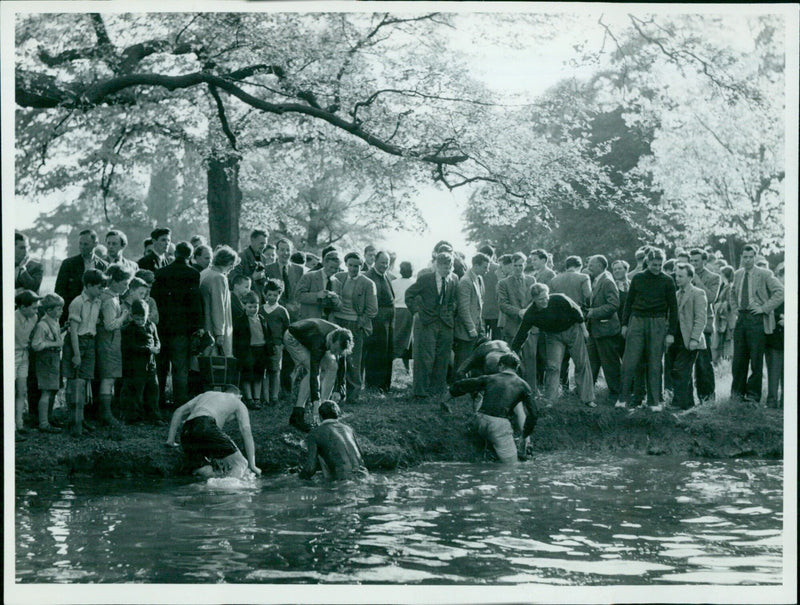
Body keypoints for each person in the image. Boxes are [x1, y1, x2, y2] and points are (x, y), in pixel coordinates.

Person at [511, 283, 596, 408]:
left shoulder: (558, 298)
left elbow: (577, 311)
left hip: (572, 330)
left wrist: (584, 331)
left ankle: (587, 398)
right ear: (534, 300)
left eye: (546, 297)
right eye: (541, 299)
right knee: (553, 366)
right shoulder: (531, 313)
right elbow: (522, 333)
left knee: (581, 363)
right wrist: (514, 350)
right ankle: (550, 400)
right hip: (553, 336)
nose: (545, 301)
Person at [616, 248, 678, 411]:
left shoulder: (668, 280)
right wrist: (624, 324)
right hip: (637, 321)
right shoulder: (638, 278)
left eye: (660, 264)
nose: (657, 268)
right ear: (647, 262)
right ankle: (622, 400)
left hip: (657, 322)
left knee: (655, 362)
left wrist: (671, 333)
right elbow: (628, 303)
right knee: (630, 361)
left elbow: (674, 308)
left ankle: (654, 402)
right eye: (654, 264)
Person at [449, 353, 538, 463]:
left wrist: (448, 395)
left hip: (479, 421)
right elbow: (534, 413)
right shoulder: (523, 385)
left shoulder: (490, 378)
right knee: (512, 467)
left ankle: (489, 452)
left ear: (500, 366)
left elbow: (462, 385)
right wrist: (525, 435)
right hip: (498, 426)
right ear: (516, 368)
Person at [165, 387, 261, 479]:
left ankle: (203, 487)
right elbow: (246, 432)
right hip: (206, 425)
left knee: (207, 471)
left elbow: (179, 411)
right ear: (239, 396)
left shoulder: (205, 394)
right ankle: (229, 493)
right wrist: (252, 465)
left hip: (187, 431)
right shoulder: (237, 402)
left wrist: (171, 440)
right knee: (241, 464)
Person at [151, 241, 203, 409]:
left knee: (161, 367)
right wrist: (197, 326)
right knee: (180, 369)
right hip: (182, 328)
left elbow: (156, 300)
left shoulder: (161, 272)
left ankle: (158, 401)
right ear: (190, 255)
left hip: (162, 327)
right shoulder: (193, 274)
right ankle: (180, 404)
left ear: (175, 253)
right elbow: (195, 303)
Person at [729, 244, 784, 403]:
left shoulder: (765, 274)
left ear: (755, 257)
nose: (747, 260)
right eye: (744, 257)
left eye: (750, 257)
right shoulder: (738, 274)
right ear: (741, 257)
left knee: (756, 359)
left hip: (757, 319)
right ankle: (737, 395)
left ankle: (753, 396)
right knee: (739, 359)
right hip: (742, 318)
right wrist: (735, 309)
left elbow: (780, 292)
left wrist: (764, 308)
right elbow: (732, 294)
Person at [404, 251, 458, 401]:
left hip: (446, 323)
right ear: (437, 265)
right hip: (428, 322)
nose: (447, 269)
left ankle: (438, 389)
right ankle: (420, 391)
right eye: (444, 266)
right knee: (425, 357)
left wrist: (451, 309)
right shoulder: (426, 279)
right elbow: (409, 294)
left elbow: (454, 299)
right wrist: (416, 311)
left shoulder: (453, 279)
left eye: (450, 266)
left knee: (443, 357)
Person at [283, 318, 353, 432]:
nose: (336, 353)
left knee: (333, 366)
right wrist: (315, 400)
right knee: (312, 369)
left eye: (339, 351)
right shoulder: (318, 341)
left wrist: (340, 389)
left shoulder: (341, 336)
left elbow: (341, 363)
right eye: (335, 349)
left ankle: (324, 409)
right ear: (332, 341)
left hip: (310, 337)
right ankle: (297, 414)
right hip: (293, 338)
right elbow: (315, 373)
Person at [61, 268, 106, 436]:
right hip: (76, 343)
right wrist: (77, 354)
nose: (101, 291)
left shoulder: (98, 301)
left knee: (85, 382)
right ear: (88, 285)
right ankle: (73, 423)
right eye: (99, 288)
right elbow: (73, 331)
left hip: (90, 341)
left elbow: (94, 322)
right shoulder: (77, 302)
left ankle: (80, 419)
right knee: (75, 382)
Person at [331, 252, 378, 403]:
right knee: (335, 358)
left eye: (357, 266)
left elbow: (372, 309)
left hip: (354, 324)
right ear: (346, 264)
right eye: (350, 265)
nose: (353, 269)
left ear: (362, 266)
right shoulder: (338, 278)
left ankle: (353, 395)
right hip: (337, 321)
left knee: (353, 361)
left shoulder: (367, 283)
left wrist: (360, 323)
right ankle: (335, 392)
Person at [96, 264, 134, 426]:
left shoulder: (108, 296)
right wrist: (124, 316)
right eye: (125, 283)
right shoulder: (110, 300)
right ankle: (106, 414)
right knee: (108, 379)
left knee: (107, 378)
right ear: (115, 282)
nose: (127, 287)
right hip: (108, 343)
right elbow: (109, 325)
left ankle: (105, 412)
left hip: (108, 342)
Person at [668, 263, 708, 410]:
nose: (677, 279)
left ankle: (679, 403)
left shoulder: (698, 293)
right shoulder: (676, 294)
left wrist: (694, 339)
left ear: (690, 277)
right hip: (676, 339)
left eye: (681, 276)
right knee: (681, 371)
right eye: (676, 275)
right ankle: (688, 402)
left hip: (690, 339)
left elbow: (700, 318)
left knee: (680, 370)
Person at [497, 252, 538, 391]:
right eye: (515, 265)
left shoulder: (532, 280)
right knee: (512, 359)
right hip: (512, 326)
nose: (518, 268)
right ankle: (511, 389)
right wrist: (519, 312)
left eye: (521, 265)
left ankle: (530, 390)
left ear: (525, 265)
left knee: (531, 359)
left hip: (530, 327)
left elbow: (536, 300)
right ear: (511, 265)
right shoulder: (503, 283)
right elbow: (503, 304)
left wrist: (529, 312)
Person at [299, 400, 368, 480]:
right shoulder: (348, 429)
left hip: (342, 482)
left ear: (320, 417)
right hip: (364, 477)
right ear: (338, 414)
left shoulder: (315, 433)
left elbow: (310, 469)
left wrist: (298, 479)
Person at [585, 255, 622, 402]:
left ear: (600, 265)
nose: (589, 267)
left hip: (606, 330)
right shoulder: (597, 280)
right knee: (592, 362)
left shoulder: (607, 281)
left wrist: (594, 312)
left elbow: (614, 305)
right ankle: (588, 392)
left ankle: (617, 394)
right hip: (596, 330)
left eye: (592, 265)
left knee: (610, 364)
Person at [54, 229, 109, 324]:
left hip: (94, 314)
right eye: (80, 244)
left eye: (86, 244)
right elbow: (59, 290)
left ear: (95, 244)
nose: (82, 247)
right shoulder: (68, 264)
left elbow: (105, 290)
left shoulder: (104, 266)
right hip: (72, 312)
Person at [120, 299, 162, 423]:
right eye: (136, 319)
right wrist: (149, 349)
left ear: (147, 316)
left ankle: (154, 416)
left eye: (141, 319)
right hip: (136, 365)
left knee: (153, 390)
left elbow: (157, 340)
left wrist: (157, 347)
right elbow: (130, 346)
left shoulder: (151, 326)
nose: (139, 322)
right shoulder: (128, 329)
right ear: (132, 316)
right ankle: (135, 417)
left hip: (151, 364)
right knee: (136, 392)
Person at [688, 249, 720, 404]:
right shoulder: (684, 274)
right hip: (687, 324)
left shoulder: (714, 278)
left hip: (704, 325)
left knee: (703, 364)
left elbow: (712, 298)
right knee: (687, 363)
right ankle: (687, 398)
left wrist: (697, 281)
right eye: (691, 260)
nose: (693, 263)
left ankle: (707, 398)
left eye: (697, 261)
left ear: (704, 261)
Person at [31, 294, 66, 433]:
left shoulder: (54, 321)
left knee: (53, 389)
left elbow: (54, 336)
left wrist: (63, 329)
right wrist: (54, 343)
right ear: (49, 310)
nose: (61, 312)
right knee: (46, 391)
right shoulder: (42, 325)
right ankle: (43, 423)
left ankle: (49, 417)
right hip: (46, 360)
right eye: (58, 309)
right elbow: (36, 345)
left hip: (54, 359)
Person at [232, 291, 272, 409]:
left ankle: (257, 398)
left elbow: (268, 335)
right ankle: (249, 399)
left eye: (255, 306)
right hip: (247, 351)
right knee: (247, 375)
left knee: (259, 375)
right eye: (250, 307)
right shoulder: (240, 320)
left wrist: (269, 348)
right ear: (244, 306)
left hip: (261, 350)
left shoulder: (262, 319)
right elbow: (236, 338)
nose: (253, 309)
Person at [364, 250, 396, 391]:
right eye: (382, 262)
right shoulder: (369, 277)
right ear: (375, 261)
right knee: (376, 354)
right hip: (376, 322)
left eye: (387, 263)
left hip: (388, 323)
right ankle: (374, 385)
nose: (384, 265)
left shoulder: (386, 276)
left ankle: (384, 385)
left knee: (387, 354)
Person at [200, 245, 238, 357]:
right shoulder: (219, 278)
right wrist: (219, 333)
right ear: (228, 263)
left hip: (205, 325)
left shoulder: (205, 273)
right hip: (213, 328)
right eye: (232, 264)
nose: (232, 268)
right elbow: (218, 307)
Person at [454, 253, 489, 373]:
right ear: (476, 265)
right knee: (462, 361)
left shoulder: (478, 279)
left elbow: (479, 305)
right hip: (466, 331)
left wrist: (480, 326)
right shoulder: (465, 281)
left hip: (476, 328)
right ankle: (457, 387)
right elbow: (463, 308)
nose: (487, 270)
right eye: (485, 267)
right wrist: (471, 328)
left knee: (471, 362)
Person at [15, 290, 42, 440]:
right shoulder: (11, 318)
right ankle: (10, 428)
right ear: (23, 307)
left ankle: (19, 424)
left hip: (24, 356)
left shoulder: (34, 318)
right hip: (11, 355)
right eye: (33, 307)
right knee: (9, 392)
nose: (36, 311)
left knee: (22, 391)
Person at [261, 278, 291, 406]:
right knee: (264, 370)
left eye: (275, 295)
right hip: (261, 344)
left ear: (280, 294)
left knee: (275, 370)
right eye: (269, 295)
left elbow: (287, 328)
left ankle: (274, 397)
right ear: (265, 294)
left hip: (276, 344)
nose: (272, 298)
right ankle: (265, 397)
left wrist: (283, 344)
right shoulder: (260, 309)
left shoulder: (282, 311)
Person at [294, 250, 341, 320]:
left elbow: (340, 306)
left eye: (336, 268)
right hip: (310, 320)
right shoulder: (309, 276)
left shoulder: (337, 283)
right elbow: (298, 296)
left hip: (329, 322)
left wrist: (337, 301)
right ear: (324, 263)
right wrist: (317, 295)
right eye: (331, 267)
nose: (333, 270)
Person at [265, 238, 304, 317]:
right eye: (282, 250)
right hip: (275, 312)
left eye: (288, 250)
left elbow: (301, 291)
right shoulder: (268, 269)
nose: (285, 253)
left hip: (295, 313)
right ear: (277, 251)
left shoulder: (299, 270)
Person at [230, 229, 270, 303]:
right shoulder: (241, 258)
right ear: (252, 240)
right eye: (261, 243)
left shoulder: (263, 258)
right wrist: (253, 277)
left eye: (265, 244)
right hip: (245, 301)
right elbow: (234, 280)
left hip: (260, 300)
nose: (263, 246)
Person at [765, 263, 784, 409]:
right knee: (773, 371)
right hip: (775, 339)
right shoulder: (773, 293)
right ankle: (772, 401)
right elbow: (768, 310)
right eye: (782, 277)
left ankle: (786, 401)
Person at [391, 261, 415, 371]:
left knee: (401, 339)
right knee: (404, 340)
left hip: (399, 312)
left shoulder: (394, 282)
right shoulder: (413, 283)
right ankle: (406, 368)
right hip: (406, 312)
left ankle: (407, 368)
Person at [478, 245, 502, 341]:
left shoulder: (479, 268)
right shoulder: (499, 268)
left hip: (482, 310)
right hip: (496, 310)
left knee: (482, 339)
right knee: (497, 339)